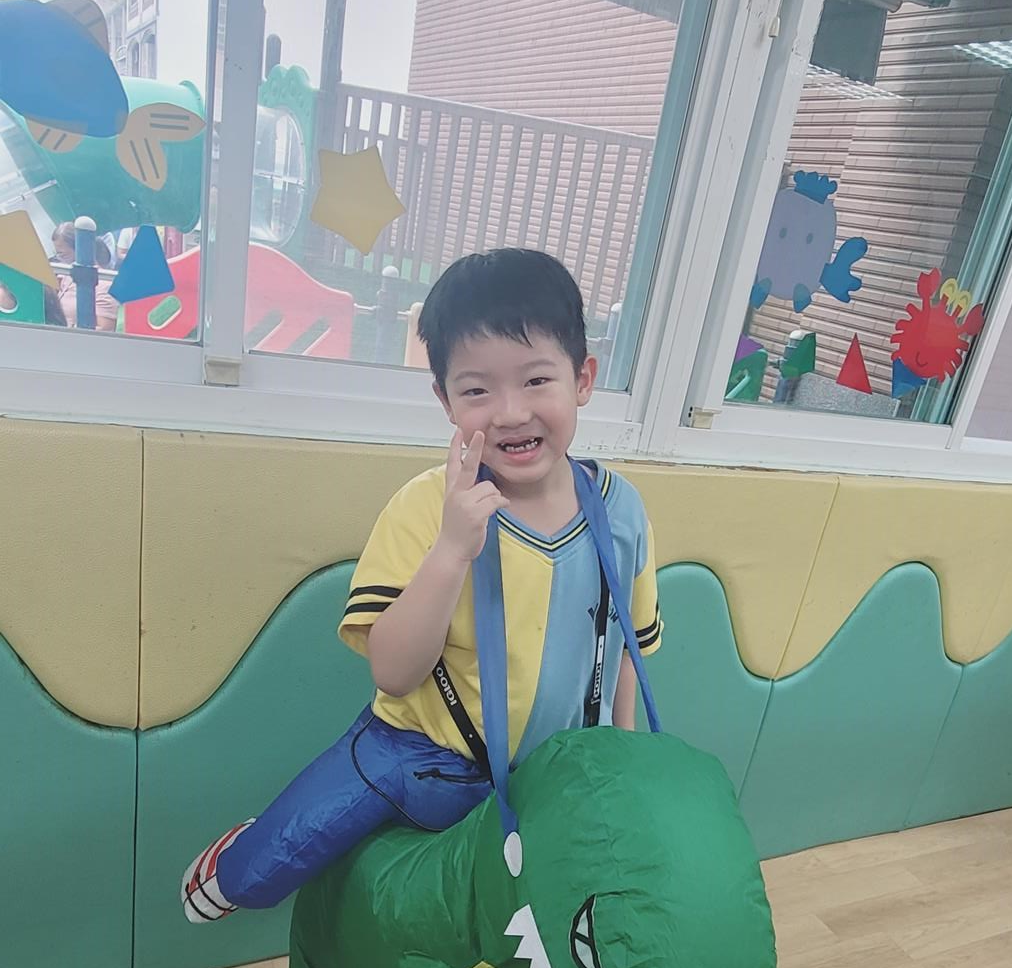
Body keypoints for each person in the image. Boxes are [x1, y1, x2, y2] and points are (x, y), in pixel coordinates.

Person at [182, 248, 663, 924]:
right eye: (477, 391)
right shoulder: (423, 507)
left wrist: (624, 758)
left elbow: (626, 655)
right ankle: (238, 858)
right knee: (257, 876)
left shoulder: (621, 511)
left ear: (583, 379)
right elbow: (393, 672)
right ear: (445, 400)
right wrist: (451, 549)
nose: (510, 413)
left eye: (536, 380)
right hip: (418, 753)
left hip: (550, 776)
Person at [52, 222, 118, 331]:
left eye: (62, 254)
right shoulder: (65, 276)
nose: (59, 259)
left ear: (80, 250)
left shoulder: (105, 286)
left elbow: (104, 330)